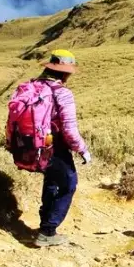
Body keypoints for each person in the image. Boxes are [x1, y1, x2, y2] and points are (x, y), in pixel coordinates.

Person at [35, 50, 91, 247]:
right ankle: (48, 231)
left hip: (32, 145)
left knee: (51, 180)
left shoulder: (32, 87)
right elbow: (69, 129)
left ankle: (44, 223)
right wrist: (82, 149)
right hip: (53, 145)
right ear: (65, 72)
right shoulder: (63, 93)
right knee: (69, 183)